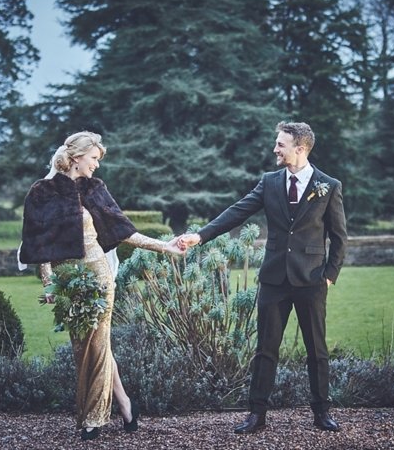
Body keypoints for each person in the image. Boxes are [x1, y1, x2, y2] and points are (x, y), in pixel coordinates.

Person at [180, 121, 347, 434]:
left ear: (300, 148)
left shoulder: (329, 185)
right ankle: (256, 415)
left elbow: (339, 237)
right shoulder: (269, 182)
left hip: (311, 280)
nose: (275, 149)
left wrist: (329, 276)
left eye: (281, 144)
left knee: (317, 350)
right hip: (273, 279)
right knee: (265, 349)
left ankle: (322, 412)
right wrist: (199, 236)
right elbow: (237, 211)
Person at [18, 131, 183, 441]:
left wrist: (166, 246)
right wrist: (49, 283)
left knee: (98, 342)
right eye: (94, 159)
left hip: (99, 276)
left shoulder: (95, 189)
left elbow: (123, 230)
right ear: (77, 157)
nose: (96, 165)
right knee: (85, 346)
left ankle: (93, 418)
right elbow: (40, 244)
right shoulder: (42, 192)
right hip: (70, 281)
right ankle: (125, 404)